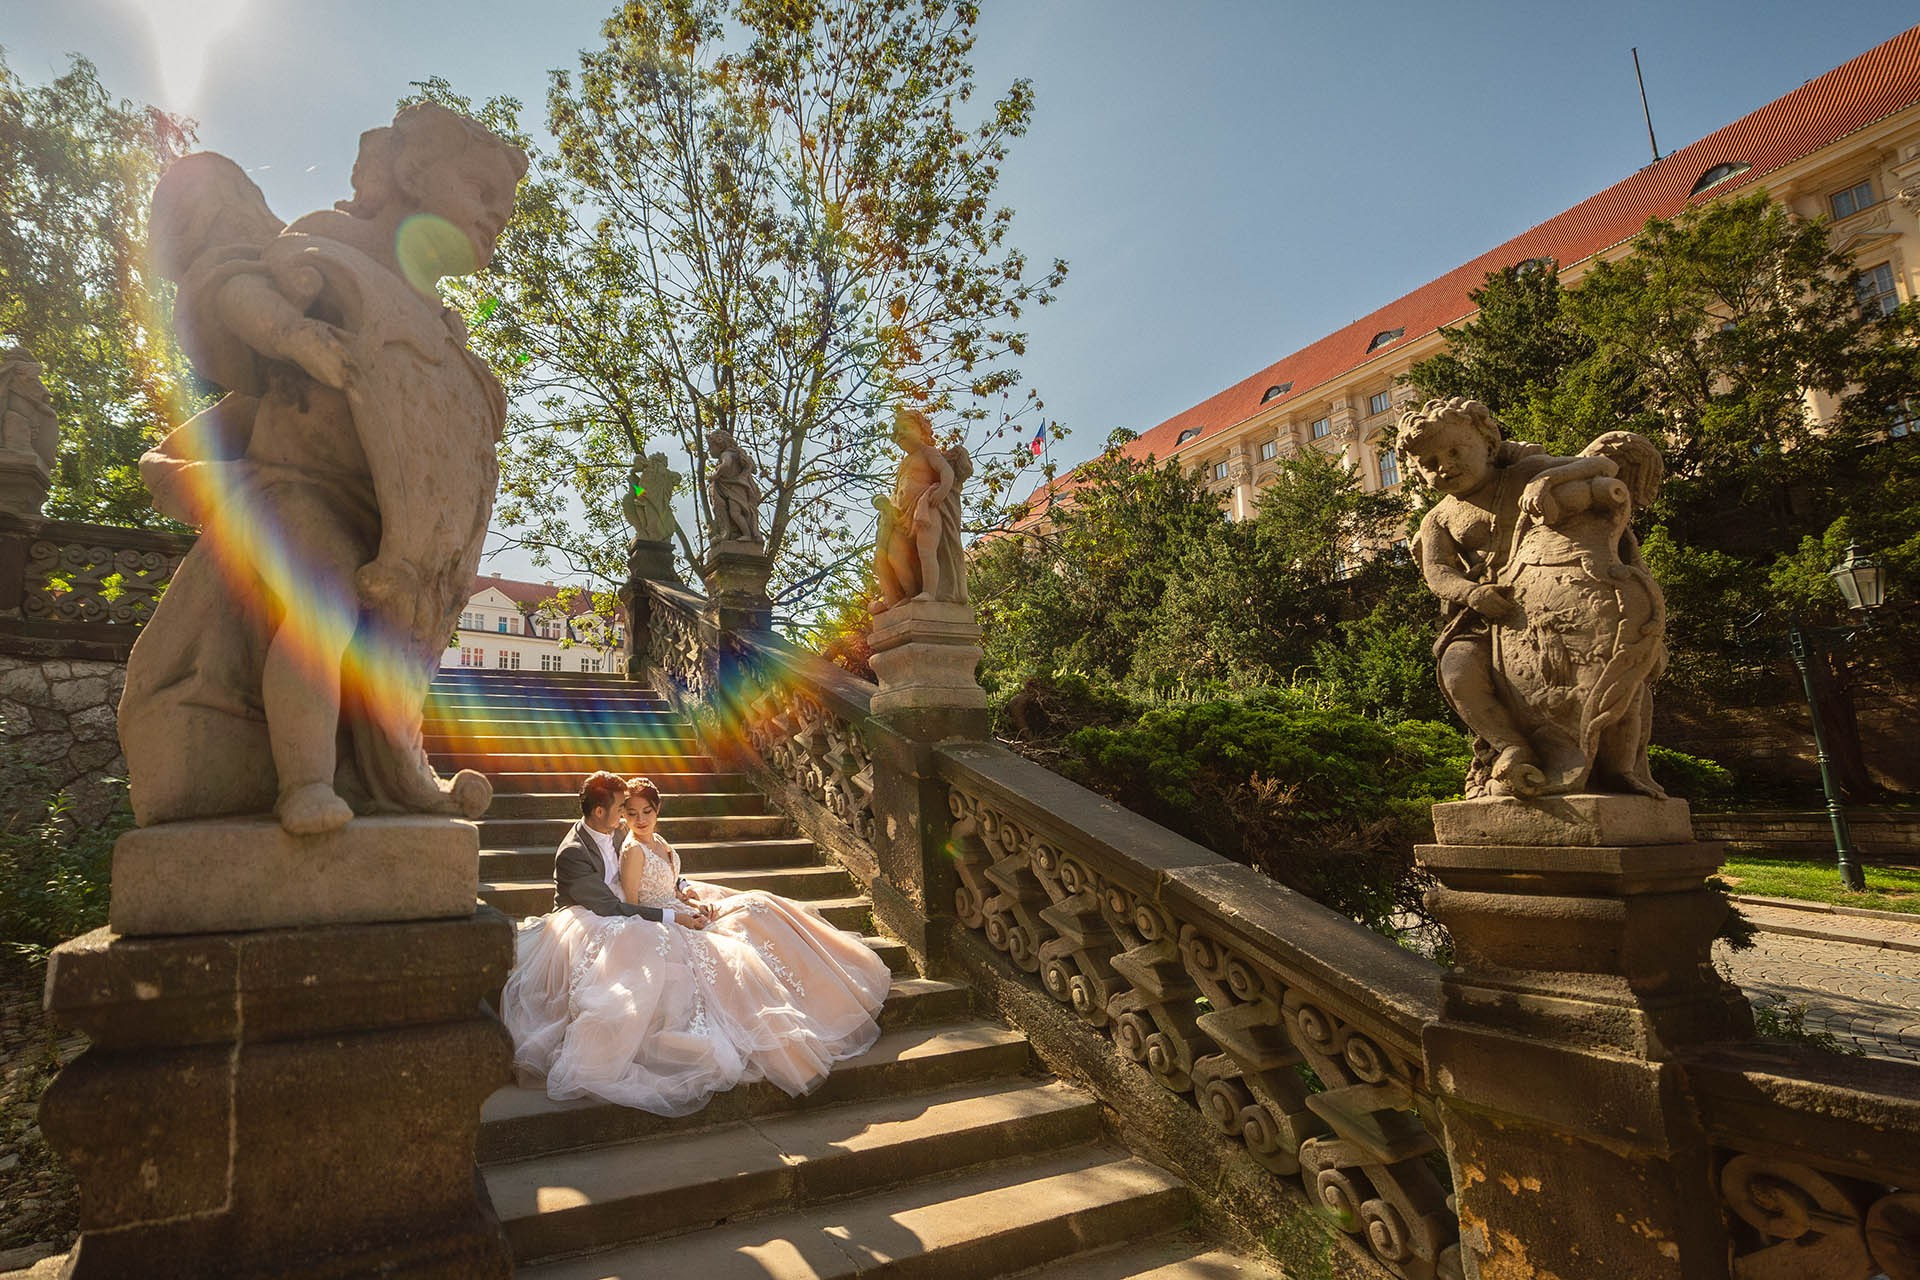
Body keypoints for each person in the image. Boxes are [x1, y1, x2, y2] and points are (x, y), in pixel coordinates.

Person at [500, 772, 892, 1115]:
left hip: (656, 901)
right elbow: (617, 905)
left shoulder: (621, 828)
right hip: (599, 915)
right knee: (711, 952)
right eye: (624, 810)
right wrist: (675, 916)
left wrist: (683, 891)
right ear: (602, 813)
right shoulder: (577, 851)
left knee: (757, 906)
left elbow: (664, 867)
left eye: (640, 812)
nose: (631, 818)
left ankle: (823, 985)